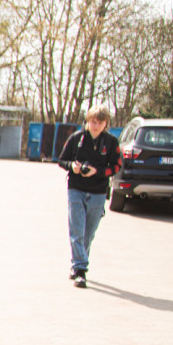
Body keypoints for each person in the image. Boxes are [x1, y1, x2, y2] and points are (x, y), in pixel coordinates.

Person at [57, 105, 120, 289]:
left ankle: (76, 264)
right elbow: (61, 160)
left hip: (98, 192)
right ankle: (81, 270)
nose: (95, 125)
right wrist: (73, 167)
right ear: (87, 120)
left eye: (99, 122)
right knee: (76, 230)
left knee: (88, 234)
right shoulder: (76, 138)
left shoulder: (111, 142)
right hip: (76, 188)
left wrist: (97, 171)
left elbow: (116, 166)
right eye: (93, 121)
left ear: (105, 123)